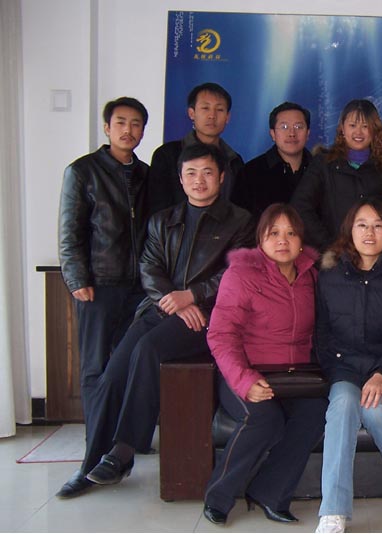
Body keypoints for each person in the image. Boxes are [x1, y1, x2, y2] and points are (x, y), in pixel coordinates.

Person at [77, 143, 252, 492]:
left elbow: (238, 272)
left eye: (207, 172)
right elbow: (149, 267)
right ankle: (90, 465)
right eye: (191, 173)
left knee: (148, 350)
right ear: (180, 179)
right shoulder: (162, 220)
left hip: (209, 316)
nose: (199, 180)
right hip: (162, 309)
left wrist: (194, 295)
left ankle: (124, 452)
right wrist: (176, 301)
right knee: (112, 375)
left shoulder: (241, 221)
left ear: (221, 177)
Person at [202, 204, 326, 526]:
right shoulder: (241, 275)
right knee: (265, 418)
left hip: (295, 376)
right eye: (274, 233)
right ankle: (218, 496)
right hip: (247, 370)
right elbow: (220, 335)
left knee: (316, 413)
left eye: (291, 233)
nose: (283, 240)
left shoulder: (312, 276)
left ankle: (270, 493)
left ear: (301, 242)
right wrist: (245, 380)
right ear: (260, 239)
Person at [56, 96, 151, 499]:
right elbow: (70, 230)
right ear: (107, 127)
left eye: (136, 124)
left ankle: (119, 453)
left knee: (127, 368)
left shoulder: (146, 175)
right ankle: (90, 461)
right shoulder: (83, 171)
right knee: (96, 371)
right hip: (99, 284)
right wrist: (76, 277)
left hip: (140, 289)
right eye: (121, 122)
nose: (128, 130)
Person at [314, 199, 382, 534]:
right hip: (343, 368)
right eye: (362, 224)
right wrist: (335, 369)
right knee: (344, 404)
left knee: (376, 411)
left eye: (378, 225)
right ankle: (333, 509)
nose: (369, 232)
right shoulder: (330, 275)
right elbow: (322, 334)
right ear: (350, 231)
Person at [291, 99, 382, 252]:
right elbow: (300, 206)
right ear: (342, 128)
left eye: (365, 126)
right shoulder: (323, 163)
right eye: (352, 125)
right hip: (335, 255)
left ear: (374, 130)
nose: (358, 132)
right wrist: (328, 244)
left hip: (376, 255)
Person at [149, 82, 243, 211]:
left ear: (227, 117)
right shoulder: (167, 155)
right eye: (205, 108)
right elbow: (157, 207)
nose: (212, 115)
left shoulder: (234, 161)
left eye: (219, 109)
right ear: (191, 113)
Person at [231, 102, 313, 218]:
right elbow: (239, 220)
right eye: (284, 127)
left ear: (308, 133)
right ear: (273, 134)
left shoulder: (322, 170)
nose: (292, 133)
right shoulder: (250, 173)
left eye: (298, 127)